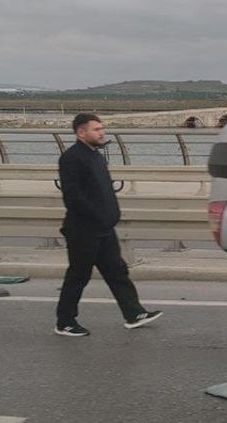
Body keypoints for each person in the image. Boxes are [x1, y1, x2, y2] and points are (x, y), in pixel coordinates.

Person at [54, 114, 162, 337]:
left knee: (117, 271)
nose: (102, 132)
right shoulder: (72, 158)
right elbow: (73, 197)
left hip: (104, 228)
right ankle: (64, 321)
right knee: (78, 275)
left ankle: (134, 313)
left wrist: (111, 215)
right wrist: (97, 216)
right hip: (83, 229)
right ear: (81, 133)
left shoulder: (97, 156)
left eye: (102, 128)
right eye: (96, 129)